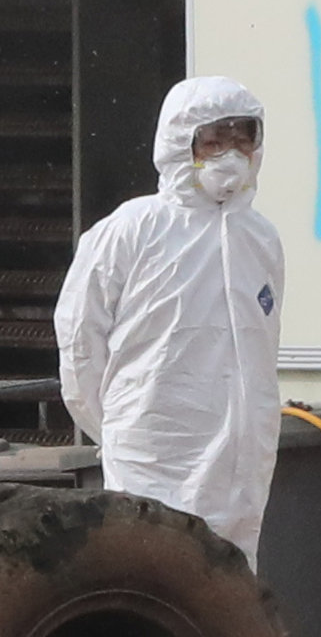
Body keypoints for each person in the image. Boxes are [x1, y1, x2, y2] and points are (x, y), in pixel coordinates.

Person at [56, 77, 282, 567]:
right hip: (152, 460)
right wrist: (122, 429)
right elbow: (79, 347)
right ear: (182, 145)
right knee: (151, 591)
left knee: (228, 602)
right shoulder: (130, 230)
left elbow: (262, 354)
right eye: (214, 140)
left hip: (240, 473)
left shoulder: (260, 239)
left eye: (243, 137)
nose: (231, 153)